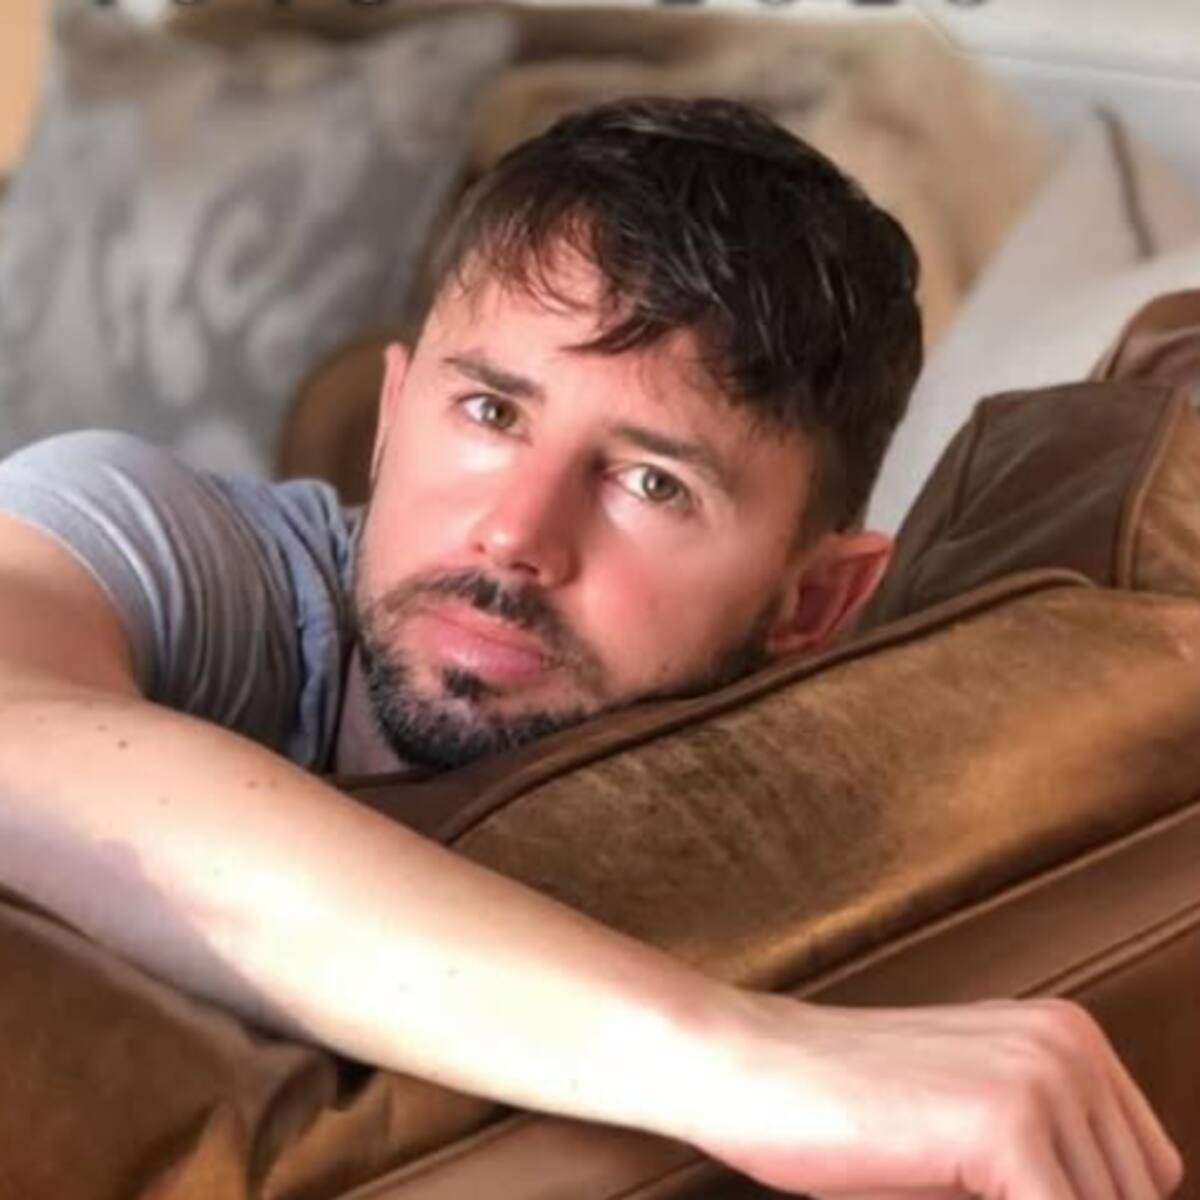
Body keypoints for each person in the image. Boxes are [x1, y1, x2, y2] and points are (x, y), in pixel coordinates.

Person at [0, 97, 1181, 1199]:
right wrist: (749, 1060)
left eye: (651, 481)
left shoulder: (824, 802)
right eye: (491, 412)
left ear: (814, 601)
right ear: (393, 418)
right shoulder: (148, 531)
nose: (516, 534)